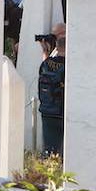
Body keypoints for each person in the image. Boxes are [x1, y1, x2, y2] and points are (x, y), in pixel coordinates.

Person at [36, 27, 67, 157]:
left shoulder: (46, 64)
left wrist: (45, 51)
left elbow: (47, 67)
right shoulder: (70, 65)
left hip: (47, 111)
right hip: (63, 111)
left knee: (49, 150)